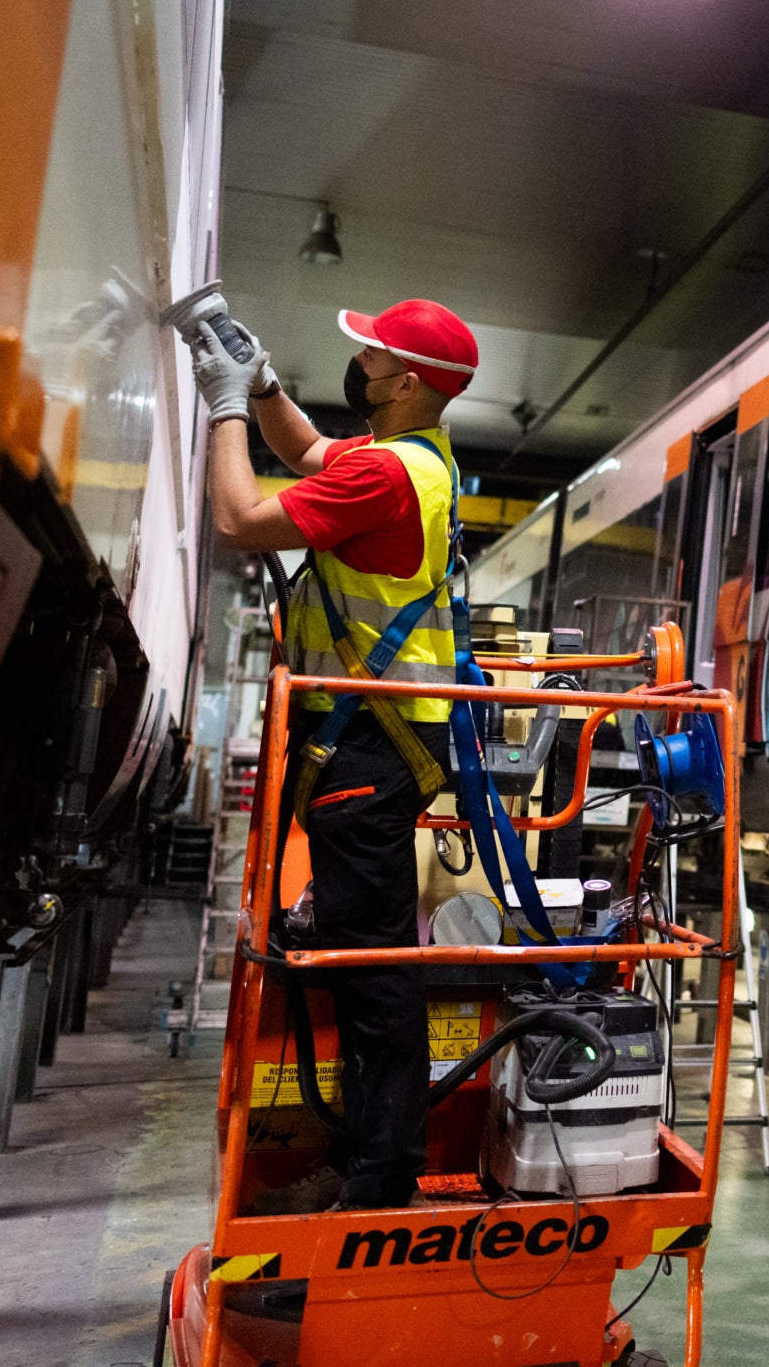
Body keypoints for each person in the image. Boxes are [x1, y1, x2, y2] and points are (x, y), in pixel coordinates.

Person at [192, 296, 480, 1211]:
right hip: (371, 733)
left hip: (368, 740)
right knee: (362, 958)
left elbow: (239, 518)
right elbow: (311, 452)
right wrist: (266, 384)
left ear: (407, 381)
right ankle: (373, 1158)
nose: (360, 359)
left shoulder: (390, 479)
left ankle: (382, 1175)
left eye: (375, 353)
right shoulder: (414, 461)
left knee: (371, 967)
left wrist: (226, 405)